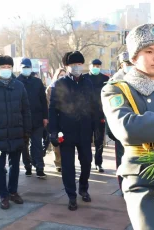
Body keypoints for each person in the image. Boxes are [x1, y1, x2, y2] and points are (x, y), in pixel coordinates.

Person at [101, 23, 154, 230]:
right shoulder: (117, 89)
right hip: (142, 177)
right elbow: (127, 128)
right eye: (148, 51)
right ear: (134, 57)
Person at [0, 55, 32, 209]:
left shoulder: (19, 86)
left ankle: (13, 191)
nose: (6, 70)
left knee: (15, 165)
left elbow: (26, 110)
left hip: (16, 133)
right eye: (3, 67)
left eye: (9, 67)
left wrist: (26, 130)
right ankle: (3, 195)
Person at [49, 51, 98, 211]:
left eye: (79, 64)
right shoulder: (60, 84)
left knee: (86, 163)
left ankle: (83, 188)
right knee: (68, 166)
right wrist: (53, 131)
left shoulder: (88, 83)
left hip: (84, 131)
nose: (77, 67)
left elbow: (94, 107)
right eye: (73, 65)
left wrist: (96, 128)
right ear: (67, 66)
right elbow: (52, 109)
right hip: (66, 132)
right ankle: (71, 195)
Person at [17, 58, 48, 179]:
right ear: (20, 68)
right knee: (24, 145)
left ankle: (39, 167)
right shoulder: (16, 82)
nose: (26, 69)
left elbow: (43, 101)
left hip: (37, 119)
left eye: (28, 67)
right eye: (24, 67)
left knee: (37, 144)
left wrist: (45, 117)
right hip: (22, 120)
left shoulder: (37, 82)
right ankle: (28, 166)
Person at [84, 59, 109, 173]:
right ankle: (87, 162)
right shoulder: (84, 78)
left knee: (99, 140)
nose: (96, 67)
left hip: (100, 115)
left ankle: (98, 162)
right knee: (86, 140)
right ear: (90, 66)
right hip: (86, 115)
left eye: (98, 66)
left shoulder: (105, 79)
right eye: (94, 65)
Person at [46, 67, 66, 172]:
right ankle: (58, 162)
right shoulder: (50, 89)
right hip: (54, 119)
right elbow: (48, 105)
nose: (62, 77)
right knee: (56, 142)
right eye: (60, 75)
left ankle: (65, 161)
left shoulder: (69, 88)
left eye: (64, 75)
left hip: (65, 119)